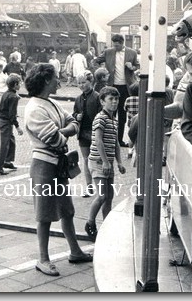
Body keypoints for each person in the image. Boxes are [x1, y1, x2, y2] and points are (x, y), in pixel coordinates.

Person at [24, 63, 93, 277]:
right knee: (44, 214)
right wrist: (68, 130)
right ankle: (43, 259)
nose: (59, 81)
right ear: (45, 80)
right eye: (55, 77)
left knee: (67, 210)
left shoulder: (50, 102)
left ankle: (75, 250)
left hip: (55, 163)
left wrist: (66, 129)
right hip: (44, 164)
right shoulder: (35, 108)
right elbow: (54, 138)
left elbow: (72, 121)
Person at [84, 86, 125, 240]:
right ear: (102, 101)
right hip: (98, 162)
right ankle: (90, 222)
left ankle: (107, 225)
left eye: (116, 99)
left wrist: (119, 162)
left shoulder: (114, 120)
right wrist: (106, 162)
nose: (114, 102)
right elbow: (98, 141)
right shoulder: (100, 118)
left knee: (109, 196)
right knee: (102, 196)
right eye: (110, 99)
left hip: (108, 163)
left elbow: (115, 143)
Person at [93, 34, 140, 147]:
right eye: (114, 45)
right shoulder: (108, 51)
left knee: (122, 115)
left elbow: (137, 66)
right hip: (112, 86)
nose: (116, 48)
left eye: (118, 46)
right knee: (110, 114)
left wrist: (131, 67)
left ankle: (119, 140)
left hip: (126, 87)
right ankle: (109, 140)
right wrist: (100, 71)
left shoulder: (132, 52)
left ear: (122, 43)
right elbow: (95, 61)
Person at [72, 70, 101, 197]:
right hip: (83, 132)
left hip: (95, 132)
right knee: (86, 159)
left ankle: (100, 186)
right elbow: (74, 113)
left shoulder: (98, 97)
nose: (81, 85)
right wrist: (76, 116)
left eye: (84, 82)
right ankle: (89, 187)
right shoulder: (78, 98)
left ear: (91, 81)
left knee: (97, 160)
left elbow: (102, 114)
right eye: (79, 83)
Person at [0, 74, 24, 175]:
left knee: (11, 141)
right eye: (19, 83)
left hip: (2, 120)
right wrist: (18, 126)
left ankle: (7, 161)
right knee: (4, 145)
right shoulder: (13, 97)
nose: (21, 84)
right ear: (15, 85)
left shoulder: (6, 93)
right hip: (6, 122)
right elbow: (12, 114)